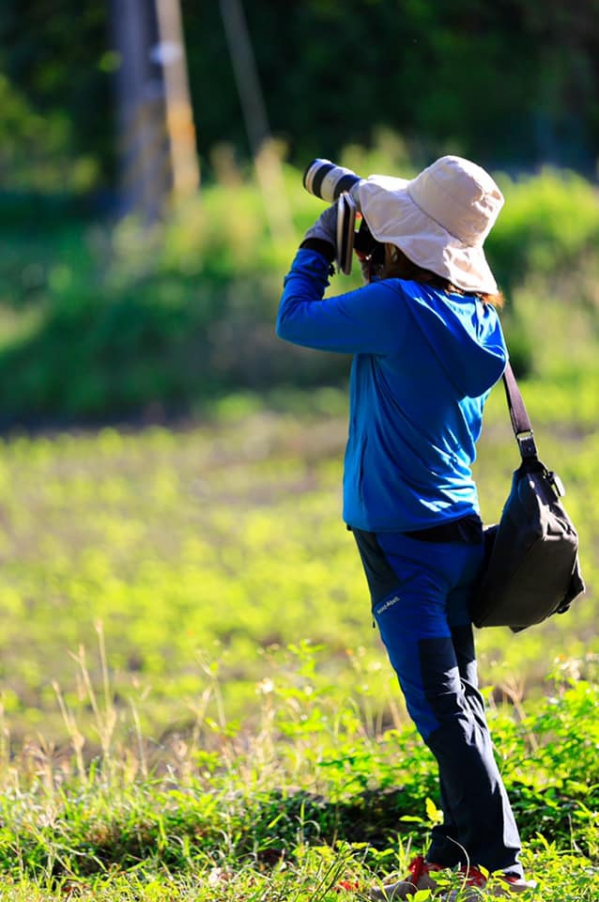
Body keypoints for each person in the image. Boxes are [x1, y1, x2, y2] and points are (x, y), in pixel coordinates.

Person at [276, 156, 536, 900]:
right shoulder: (478, 317)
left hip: (403, 550)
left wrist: (319, 246)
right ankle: (456, 858)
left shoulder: (391, 307)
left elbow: (293, 320)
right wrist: (378, 239)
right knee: (461, 701)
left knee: (441, 708)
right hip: (458, 537)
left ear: (401, 246)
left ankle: (497, 862)